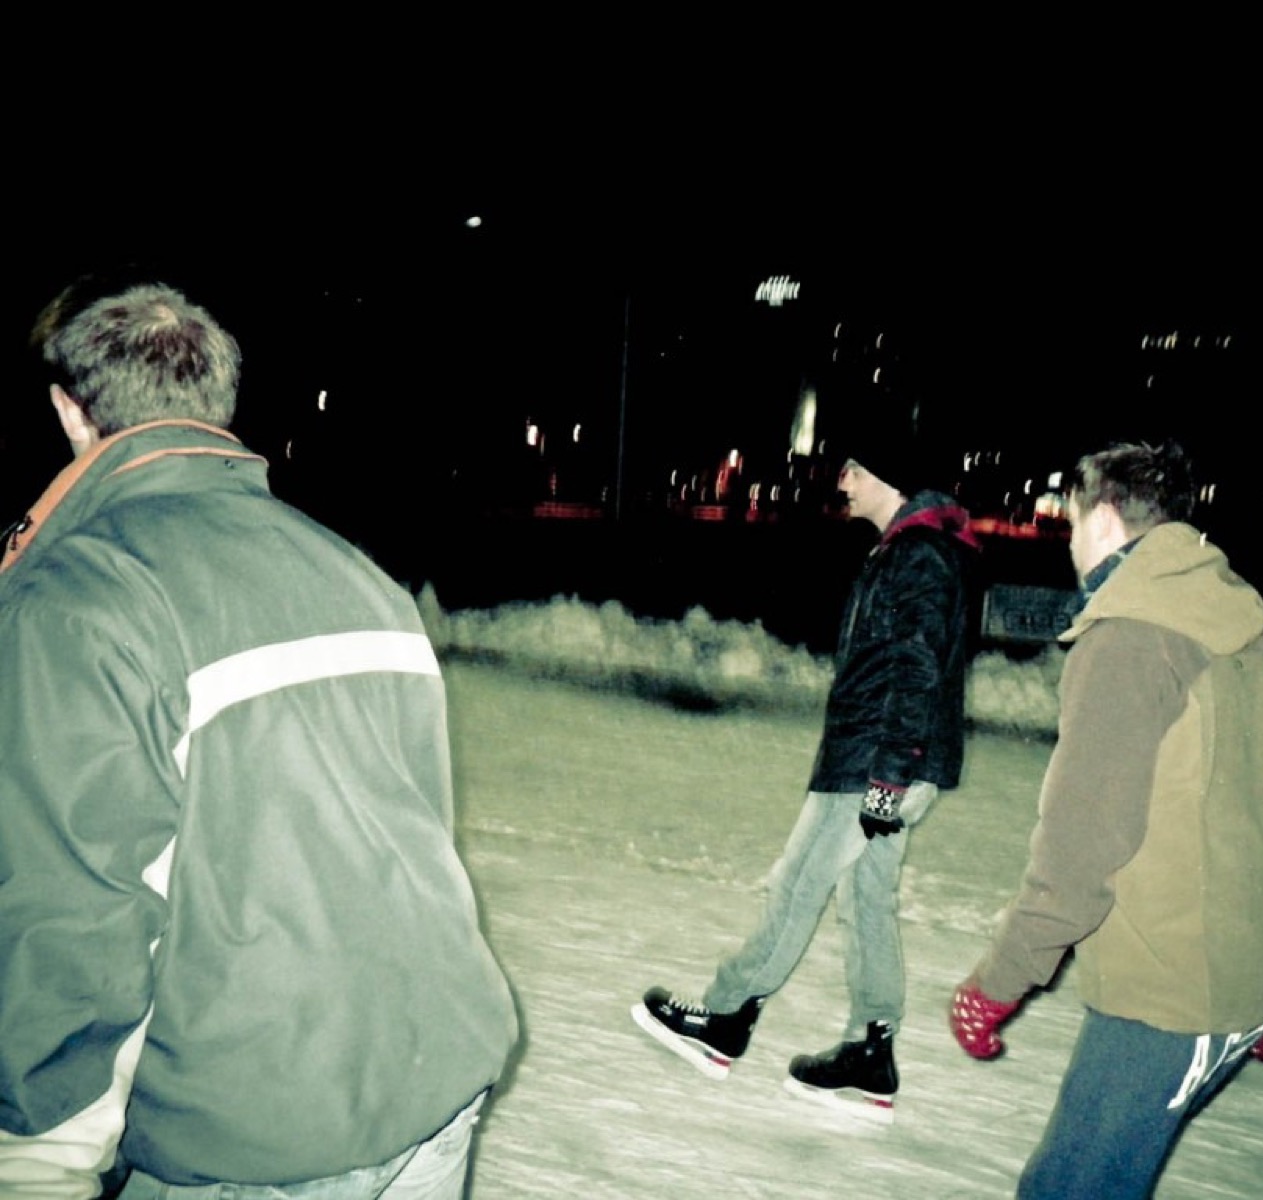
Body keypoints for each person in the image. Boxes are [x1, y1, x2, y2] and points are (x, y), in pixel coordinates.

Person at [0, 279, 519, 1198]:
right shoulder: (357, 575)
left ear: (69, 411)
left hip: (254, 1134)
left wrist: (37, 1165)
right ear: (216, 408)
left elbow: (71, 911)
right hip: (433, 1077)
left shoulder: (81, 598)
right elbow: (414, 835)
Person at [948, 440, 1263, 1199]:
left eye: (1073, 520)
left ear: (1109, 520)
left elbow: (1080, 848)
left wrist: (997, 983)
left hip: (1171, 995)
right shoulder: (1244, 627)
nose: (1070, 538)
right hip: (1231, 983)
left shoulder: (1129, 641)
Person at [633, 418, 979, 1124]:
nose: (842, 481)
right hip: (888, 760)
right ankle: (870, 1048)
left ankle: (725, 1018)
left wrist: (886, 777)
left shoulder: (918, 557)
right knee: (864, 898)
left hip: (874, 762)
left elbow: (915, 670)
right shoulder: (918, 551)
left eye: (853, 469)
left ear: (887, 478)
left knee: (799, 883)